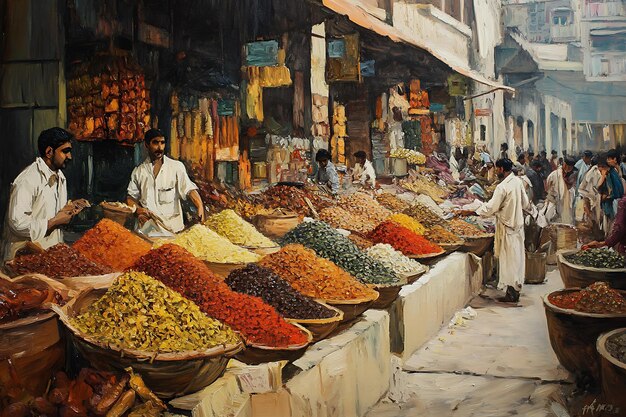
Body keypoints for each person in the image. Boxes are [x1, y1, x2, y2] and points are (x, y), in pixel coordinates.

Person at [2, 128, 89, 261]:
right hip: (23, 258)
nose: (70, 157)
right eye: (65, 151)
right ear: (49, 152)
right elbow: (17, 223)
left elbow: (49, 211)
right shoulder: (27, 179)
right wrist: (53, 222)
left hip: (49, 256)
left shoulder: (60, 177)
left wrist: (68, 209)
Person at [126, 128, 205, 235]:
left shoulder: (176, 167)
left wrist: (199, 206)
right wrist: (138, 210)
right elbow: (131, 198)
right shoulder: (139, 172)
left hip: (173, 231)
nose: (160, 147)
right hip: (148, 232)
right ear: (146, 145)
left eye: (162, 143)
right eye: (155, 143)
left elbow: (189, 189)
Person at [476, 158, 530, 303]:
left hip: (507, 228)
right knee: (517, 260)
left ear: (500, 169)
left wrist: (475, 210)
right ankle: (515, 290)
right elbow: (525, 203)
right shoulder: (518, 182)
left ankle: (511, 294)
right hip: (518, 227)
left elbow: (491, 208)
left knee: (509, 261)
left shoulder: (502, 187)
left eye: (497, 169)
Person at [598, 150, 624, 233]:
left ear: (615, 159)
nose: (608, 161)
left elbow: (614, 192)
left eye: (609, 159)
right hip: (611, 204)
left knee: (612, 227)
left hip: (613, 204)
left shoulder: (612, 174)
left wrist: (606, 197)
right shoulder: (612, 172)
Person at [546, 156, 578, 224]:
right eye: (567, 166)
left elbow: (573, 190)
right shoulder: (554, 175)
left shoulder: (572, 177)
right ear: (564, 164)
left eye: (570, 168)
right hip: (555, 204)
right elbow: (548, 186)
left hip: (567, 206)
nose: (568, 169)